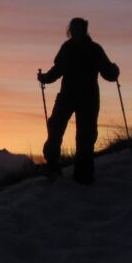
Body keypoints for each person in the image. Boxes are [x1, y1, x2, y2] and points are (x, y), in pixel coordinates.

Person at [38, 18, 120, 184]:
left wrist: (45, 78)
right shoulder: (91, 49)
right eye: (74, 29)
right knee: (59, 129)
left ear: (82, 30)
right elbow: (107, 73)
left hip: (78, 98)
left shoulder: (78, 49)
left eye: (77, 29)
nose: (75, 32)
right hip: (79, 97)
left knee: (80, 134)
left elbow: (107, 72)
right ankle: (60, 168)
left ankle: (76, 172)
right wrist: (45, 77)